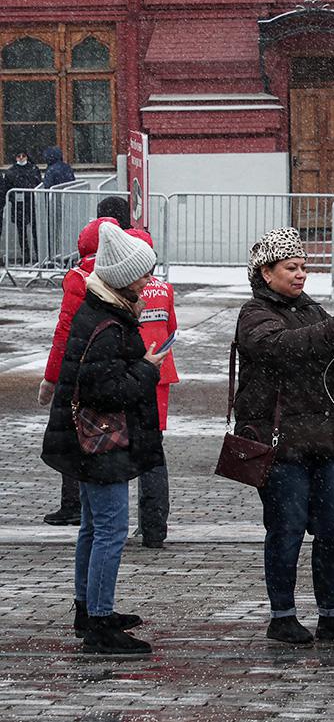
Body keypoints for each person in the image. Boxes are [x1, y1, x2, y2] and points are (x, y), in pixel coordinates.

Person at [235, 227, 334, 644]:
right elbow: (282, 348)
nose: (300, 275)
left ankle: (332, 613)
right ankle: (282, 616)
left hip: (322, 439)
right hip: (280, 446)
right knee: (287, 528)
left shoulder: (312, 311)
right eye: (291, 267)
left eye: (303, 267)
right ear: (266, 272)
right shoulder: (254, 314)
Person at [41, 221, 165, 655]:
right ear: (124, 278)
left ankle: (89, 607)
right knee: (110, 529)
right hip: (100, 444)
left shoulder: (99, 309)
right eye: (144, 274)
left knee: (93, 528)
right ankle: (99, 622)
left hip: (85, 443)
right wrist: (148, 367)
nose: (150, 281)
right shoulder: (108, 325)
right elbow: (107, 391)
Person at [40, 216, 121, 525]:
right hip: (111, 367)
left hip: (77, 368)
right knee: (106, 434)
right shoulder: (124, 274)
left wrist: (51, 377)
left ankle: (74, 503)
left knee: (72, 434)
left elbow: (63, 333)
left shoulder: (78, 278)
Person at [127, 228, 176, 548]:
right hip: (160, 372)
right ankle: (155, 524)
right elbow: (172, 327)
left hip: (130, 371)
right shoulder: (166, 289)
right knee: (153, 448)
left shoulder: (125, 290)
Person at [7, 150, 41, 264]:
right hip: (18, 206)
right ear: (15, 158)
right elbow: (7, 188)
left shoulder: (33, 169)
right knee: (21, 232)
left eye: (23, 156)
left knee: (35, 230)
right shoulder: (11, 171)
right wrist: (13, 198)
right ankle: (25, 255)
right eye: (18, 156)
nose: (21, 158)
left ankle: (38, 253)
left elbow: (38, 184)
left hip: (32, 203)